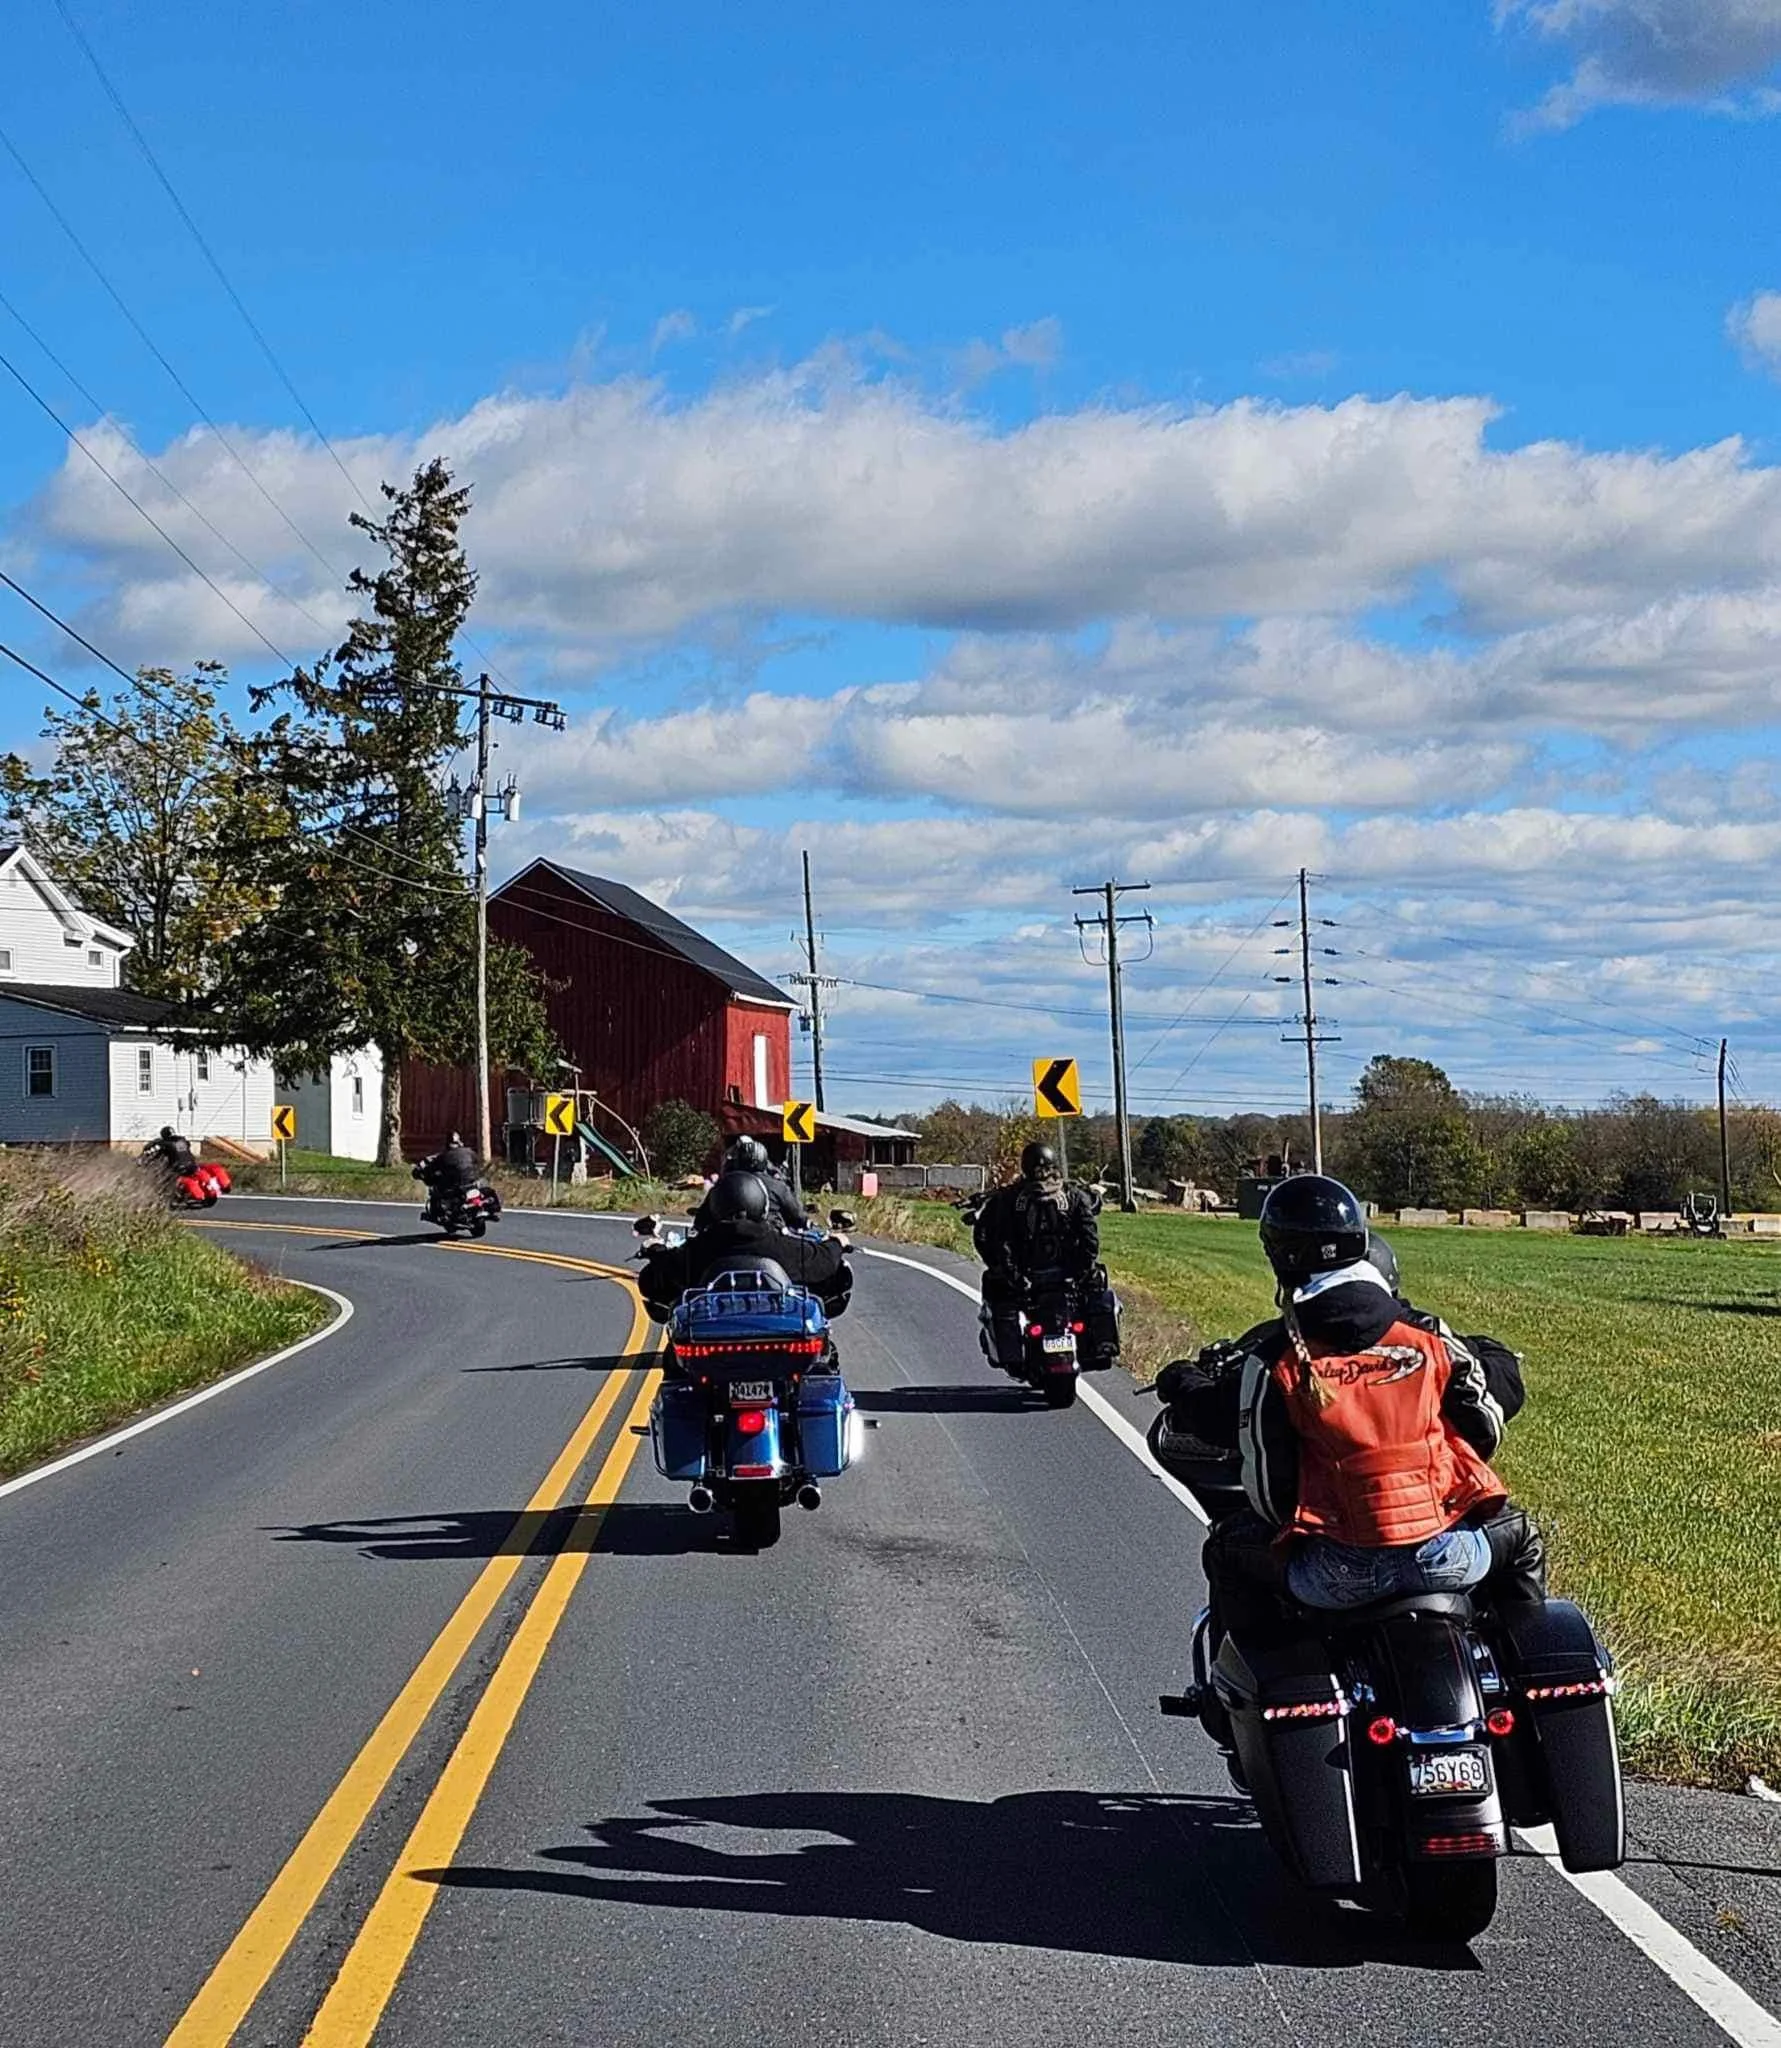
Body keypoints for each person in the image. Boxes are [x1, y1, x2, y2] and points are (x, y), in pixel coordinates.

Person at [1154, 1174, 1544, 1654]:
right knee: (1521, 1535)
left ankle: (1275, 1686)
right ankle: (1522, 1666)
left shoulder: (1277, 1358)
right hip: (1446, 1558)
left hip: (1336, 1576)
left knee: (1227, 1550)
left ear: (1280, 1255)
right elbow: (1485, 1429)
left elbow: (1270, 1494)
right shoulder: (1427, 1336)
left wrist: (1181, 1382)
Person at [973, 1141, 1119, 1365]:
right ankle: (1102, 1344)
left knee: (995, 1289)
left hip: (1026, 1277)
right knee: (1099, 1283)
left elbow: (1001, 1242)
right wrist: (1083, 1269)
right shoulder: (1073, 1196)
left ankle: (1010, 1353)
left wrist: (1013, 1276)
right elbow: (1090, 1238)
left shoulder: (1011, 1199)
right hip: (1068, 1275)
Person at [642, 1170, 851, 1327]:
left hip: (712, 1337)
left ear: (715, 1206)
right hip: (778, 1333)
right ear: (761, 1205)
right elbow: (822, 1262)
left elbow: (669, 1264)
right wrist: (837, 1242)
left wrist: (654, 1248)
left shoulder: (699, 1249)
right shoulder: (779, 1244)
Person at [694, 1134, 807, 1231]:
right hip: (768, 1242)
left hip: (727, 1245)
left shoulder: (723, 1185)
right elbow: (798, 1217)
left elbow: (701, 1221)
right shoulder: (778, 1186)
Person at [413, 1131, 481, 1222]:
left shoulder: (444, 1157)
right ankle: (448, 1210)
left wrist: (425, 1174)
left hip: (456, 1185)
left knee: (439, 1189)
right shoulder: (469, 1151)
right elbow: (477, 1162)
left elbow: (432, 1168)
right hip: (472, 1181)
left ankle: (441, 1213)